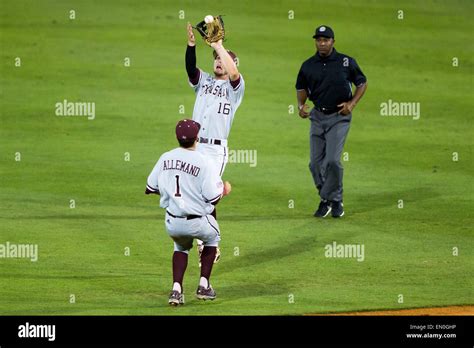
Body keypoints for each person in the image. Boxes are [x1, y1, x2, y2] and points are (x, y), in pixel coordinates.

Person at [145, 119, 231, 306]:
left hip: (172, 224)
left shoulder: (165, 157)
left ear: (177, 138)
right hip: (197, 222)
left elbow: (150, 187)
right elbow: (213, 198)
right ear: (197, 138)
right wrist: (224, 190)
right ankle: (203, 285)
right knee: (212, 237)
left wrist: (172, 193)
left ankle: (176, 290)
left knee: (180, 247)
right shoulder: (204, 161)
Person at [185, 22, 245, 261]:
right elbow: (191, 70)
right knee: (194, 194)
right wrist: (191, 46)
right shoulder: (205, 81)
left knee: (206, 194)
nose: (218, 61)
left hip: (214, 150)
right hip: (195, 145)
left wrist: (220, 46)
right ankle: (207, 242)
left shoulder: (236, 89)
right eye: (216, 59)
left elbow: (234, 74)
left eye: (223, 59)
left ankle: (209, 242)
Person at [295, 25, 367, 218]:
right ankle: (331, 200)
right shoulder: (308, 65)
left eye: (326, 40)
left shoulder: (346, 62)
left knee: (333, 161)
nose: (322, 43)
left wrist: (352, 104)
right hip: (317, 116)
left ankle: (330, 200)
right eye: (319, 40)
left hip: (339, 117)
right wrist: (301, 105)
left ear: (333, 42)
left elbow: (362, 82)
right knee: (315, 164)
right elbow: (301, 87)